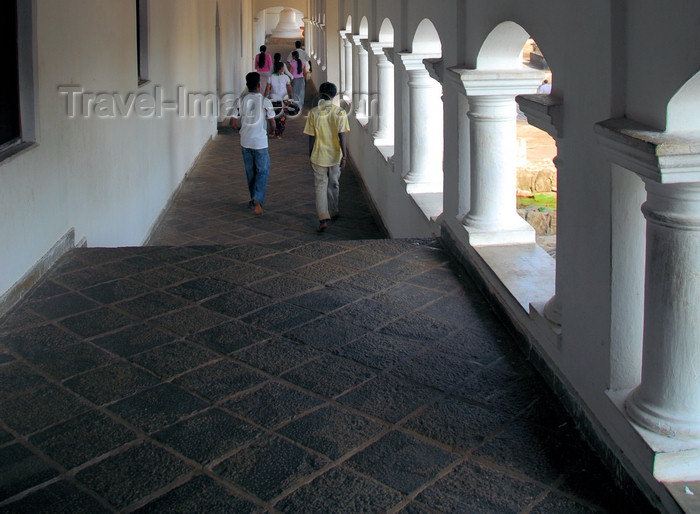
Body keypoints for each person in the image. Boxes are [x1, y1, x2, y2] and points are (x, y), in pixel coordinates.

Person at [303, 82, 349, 232]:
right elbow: (342, 135)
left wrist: (310, 153)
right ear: (334, 95)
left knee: (320, 186)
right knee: (334, 184)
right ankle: (333, 210)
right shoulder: (340, 112)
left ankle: (323, 216)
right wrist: (345, 155)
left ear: (320, 94)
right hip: (335, 155)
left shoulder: (313, 113)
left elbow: (311, 136)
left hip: (318, 155)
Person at [230, 72, 276, 216]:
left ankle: (253, 200)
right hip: (260, 143)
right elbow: (272, 123)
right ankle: (257, 199)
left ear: (246, 84)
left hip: (245, 141)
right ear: (259, 85)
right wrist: (272, 131)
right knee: (262, 171)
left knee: (250, 172)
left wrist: (241, 129)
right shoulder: (265, 101)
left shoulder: (240, 100)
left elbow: (232, 123)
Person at [265, 62, 293, 138]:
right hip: (284, 100)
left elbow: (267, 89)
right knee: (282, 118)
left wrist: (264, 98)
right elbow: (289, 89)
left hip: (273, 100)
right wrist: (291, 98)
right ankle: (279, 133)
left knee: (273, 116)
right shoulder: (286, 77)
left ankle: (273, 131)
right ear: (281, 69)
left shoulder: (270, 77)